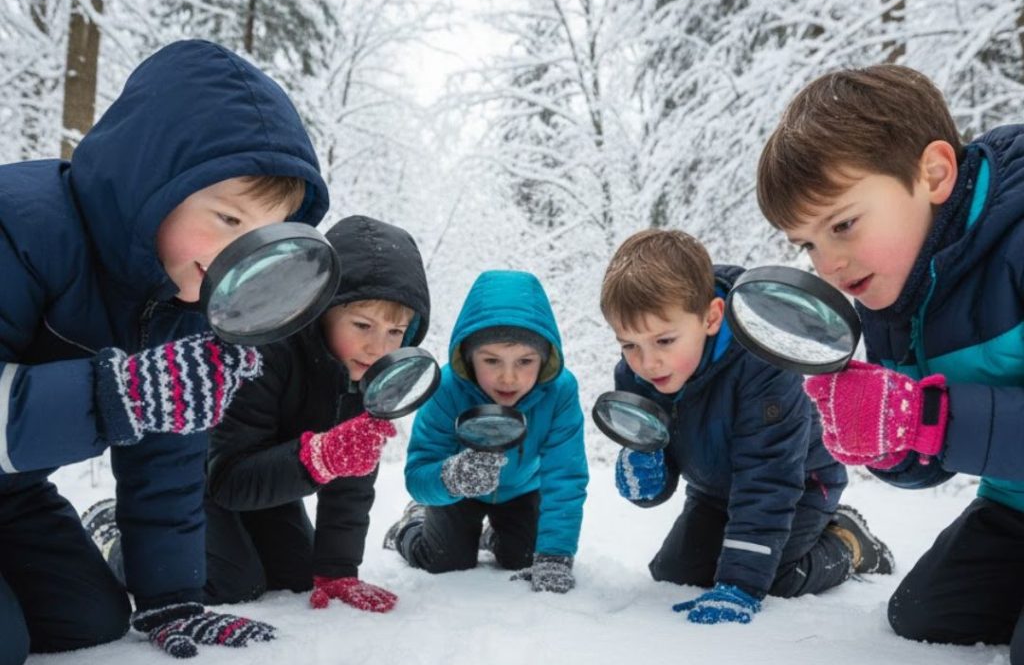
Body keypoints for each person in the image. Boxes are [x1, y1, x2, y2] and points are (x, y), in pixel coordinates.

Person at [0, 39, 330, 665]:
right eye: (227, 217)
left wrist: (172, 598)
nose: (240, 254)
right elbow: (127, 401)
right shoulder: (21, 229)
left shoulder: (188, 298)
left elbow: (168, 456)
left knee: (90, 621)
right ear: (150, 184)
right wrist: (114, 397)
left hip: (11, 494)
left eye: (260, 236)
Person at [757, 63, 1024, 665]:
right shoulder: (889, 299)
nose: (828, 264)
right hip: (1017, 503)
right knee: (922, 616)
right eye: (808, 243)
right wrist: (887, 443)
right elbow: (930, 458)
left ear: (932, 173)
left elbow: (937, 421)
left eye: (843, 224)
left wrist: (925, 417)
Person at [600, 229, 892, 625]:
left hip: (799, 485)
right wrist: (646, 477)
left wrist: (741, 584)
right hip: (713, 490)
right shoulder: (636, 376)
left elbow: (768, 477)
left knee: (772, 578)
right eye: (629, 345)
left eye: (664, 340)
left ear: (711, 317)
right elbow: (657, 451)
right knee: (677, 576)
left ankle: (850, 542)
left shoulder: (761, 363)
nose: (647, 363)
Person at [200, 214, 430, 612]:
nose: (378, 347)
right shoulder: (266, 353)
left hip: (271, 481)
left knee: (295, 576)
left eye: (395, 332)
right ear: (322, 310)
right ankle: (119, 531)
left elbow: (352, 484)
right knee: (231, 584)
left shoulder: (369, 376)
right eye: (362, 325)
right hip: (198, 479)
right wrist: (319, 457)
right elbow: (226, 480)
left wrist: (338, 569)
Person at [382, 270, 587, 593]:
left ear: (544, 359)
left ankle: (495, 536)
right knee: (443, 560)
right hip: (458, 492)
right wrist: (451, 478)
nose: (509, 378)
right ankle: (410, 526)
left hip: (521, 490)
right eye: (492, 361)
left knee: (523, 557)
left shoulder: (559, 392)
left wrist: (556, 556)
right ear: (469, 357)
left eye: (525, 361)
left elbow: (565, 476)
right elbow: (419, 472)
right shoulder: (446, 388)